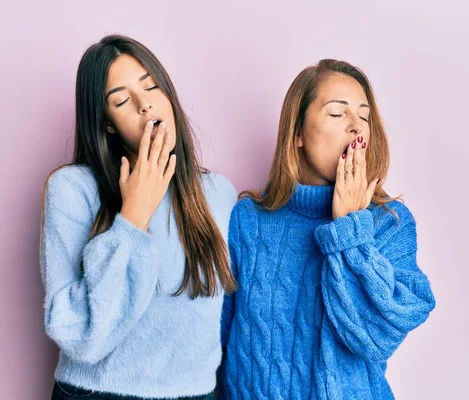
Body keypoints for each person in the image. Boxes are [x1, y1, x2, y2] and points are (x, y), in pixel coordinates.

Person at [220, 59, 436, 399]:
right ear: (298, 135)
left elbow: (374, 337)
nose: (356, 127)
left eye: (364, 117)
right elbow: (220, 336)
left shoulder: (388, 223)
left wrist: (350, 228)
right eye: (337, 114)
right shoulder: (248, 219)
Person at [40, 34, 236, 400]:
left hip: (197, 393)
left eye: (151, 86)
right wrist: (133, 218)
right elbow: (78, 335)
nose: (145, 104)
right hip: (97, 392)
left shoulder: (219, 193)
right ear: (108, 124)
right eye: (122, 100)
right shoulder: (72, 189)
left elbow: (226, 322)